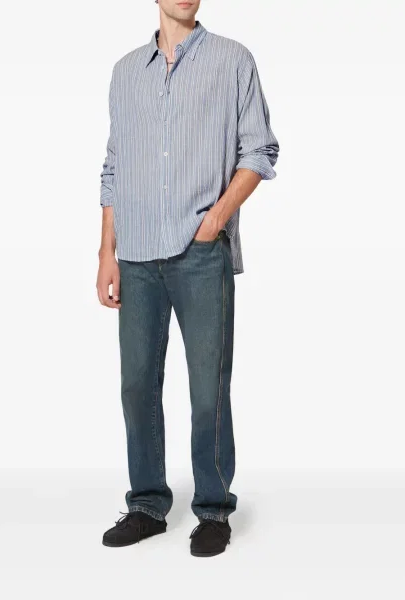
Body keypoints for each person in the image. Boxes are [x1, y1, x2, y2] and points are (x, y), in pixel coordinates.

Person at [97, 0, 279, 558]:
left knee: (208, 390)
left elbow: (260, 149)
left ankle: (214, 508)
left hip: (201, 254)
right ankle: (148, 505)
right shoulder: (125, 72)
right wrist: (106, 251)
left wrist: (216, 219)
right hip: (136, 256)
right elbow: (114, 166)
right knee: (137, 386)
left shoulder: (232, 60)